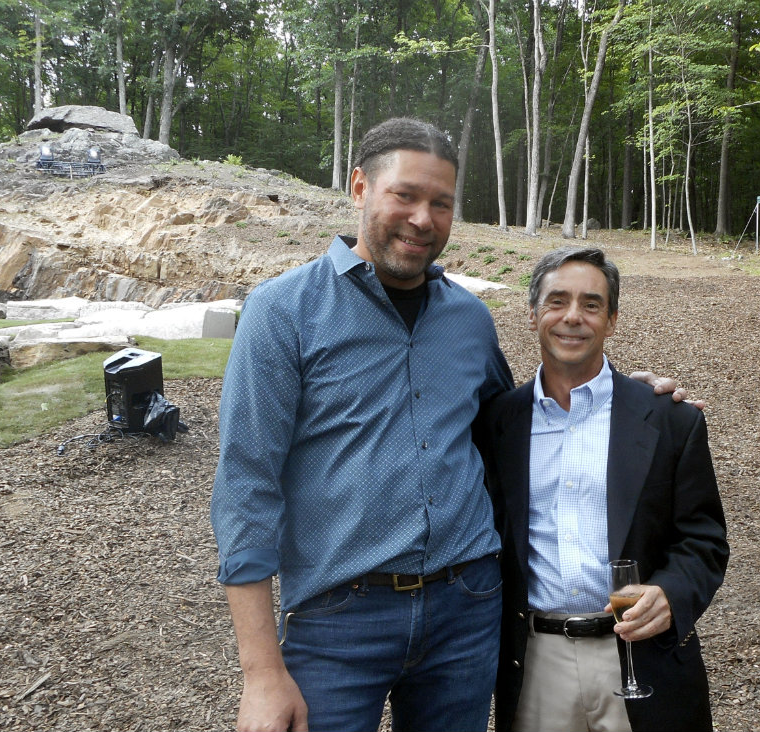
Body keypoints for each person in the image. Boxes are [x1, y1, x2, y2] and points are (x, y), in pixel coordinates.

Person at [210, 118, 687, 732]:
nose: (422, 218)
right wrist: (260, 673)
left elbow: (515, 426)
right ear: (359, 187)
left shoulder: (468, 319)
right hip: (337, 620)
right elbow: (246, 488)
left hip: (467, 610)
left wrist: (622, 397)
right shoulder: (282, 312)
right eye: (405, 195)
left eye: (441, 203)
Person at [477, 246, 729, 732]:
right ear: (532, 315)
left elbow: (704, 540)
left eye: (591, 304)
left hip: (642, 659)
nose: (573, 317)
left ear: (611, 320)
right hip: (536, 664)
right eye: (557, 301)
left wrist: (670, 593)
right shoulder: (496, 424)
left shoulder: (669, 420)